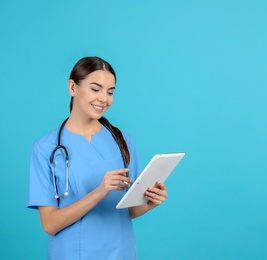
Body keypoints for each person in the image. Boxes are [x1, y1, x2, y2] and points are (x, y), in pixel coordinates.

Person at [27, 56, 168, 259]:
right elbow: (50, 224)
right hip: (73, 253)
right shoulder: (45, 149)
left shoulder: (122, 141)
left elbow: (127, 210)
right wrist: (99, 192)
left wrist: (150, 202)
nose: (104, 98)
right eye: (96, 89)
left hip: (121, 251)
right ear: (72, 87)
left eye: (110, 92)